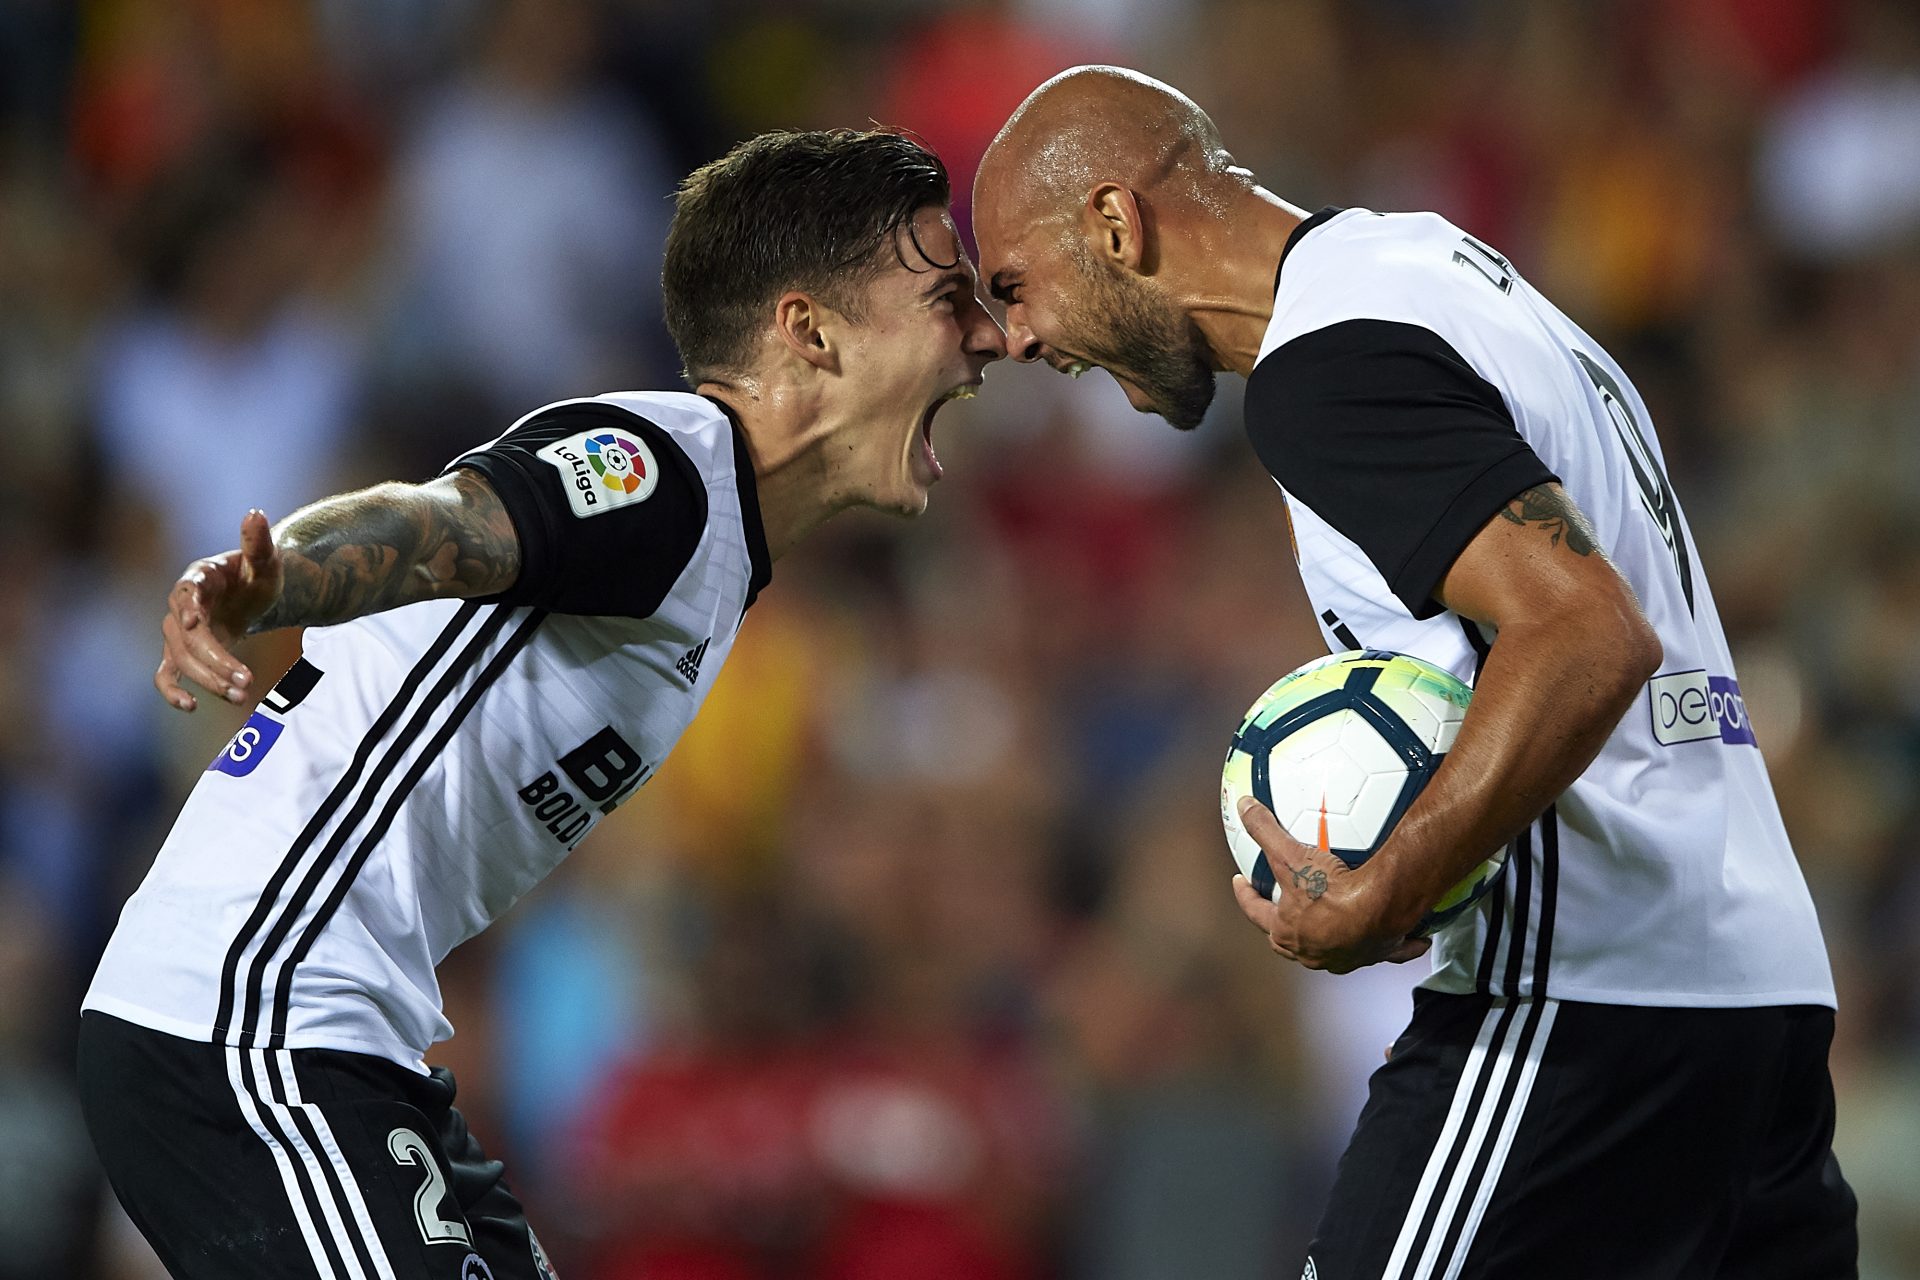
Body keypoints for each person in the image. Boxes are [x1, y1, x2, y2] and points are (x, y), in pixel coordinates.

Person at [973, 66, 1856, 1280]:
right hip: (1756, 987)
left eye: (1015, 285)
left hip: (1586, 1000)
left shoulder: (1323, 374)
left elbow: (1588, 632)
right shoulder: (1430, 268)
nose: (1015, 339)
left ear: (1115, 227)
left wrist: (1395, 879)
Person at [77, 127, 1005, 1280]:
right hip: (252, 1019)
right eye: (946, 294)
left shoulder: (717, 544)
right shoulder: (663, 471)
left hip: (339, 1038)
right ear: (809, 329)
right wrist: (278, 580)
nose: (987, 338)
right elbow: (443, 524)